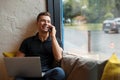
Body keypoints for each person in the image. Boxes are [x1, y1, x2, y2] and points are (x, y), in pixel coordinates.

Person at [15, 12, 65, 80]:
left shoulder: (56, 41)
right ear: (37, 23)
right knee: (17, 78)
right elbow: (17, 61)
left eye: (48, 21)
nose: (46, 23)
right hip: (30, 74)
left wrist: (53, 36)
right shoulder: (27, 41)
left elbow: (58, 58)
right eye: (43, 20)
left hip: (47, 74)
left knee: (60, 72)